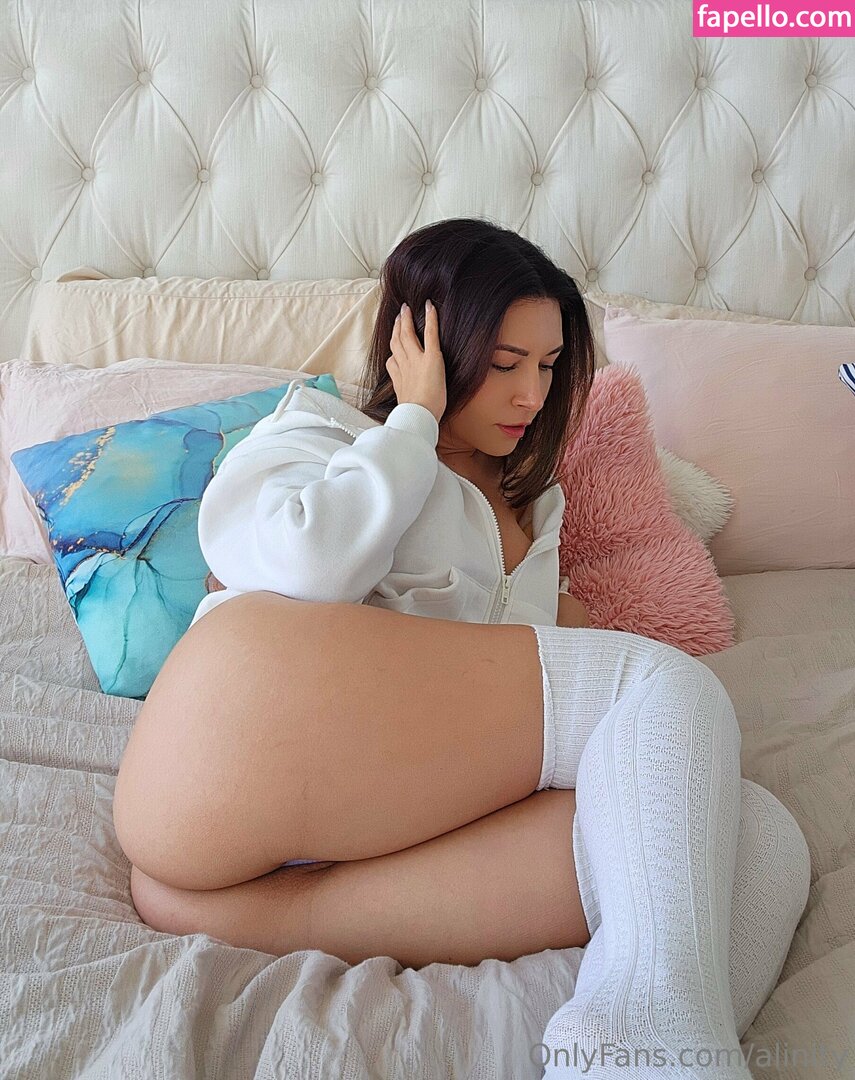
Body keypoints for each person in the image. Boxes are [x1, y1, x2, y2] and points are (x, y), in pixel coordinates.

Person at [112, 219, 810, 1077]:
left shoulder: (536, 509)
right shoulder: (317, 433)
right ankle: (654, 1032)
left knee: (755, 836)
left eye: (548, 367)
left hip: (353, 833)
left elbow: (488, 701)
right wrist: (412, 421)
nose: (531, 395)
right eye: (506, 363)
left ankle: (645, 1052)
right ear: (423, 343)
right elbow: (307, 564)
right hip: (229, 744)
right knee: (655, 682)